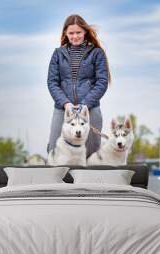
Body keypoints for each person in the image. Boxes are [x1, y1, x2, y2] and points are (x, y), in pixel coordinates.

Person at [46, 14, 111, 158]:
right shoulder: (57, 54)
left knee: (92, 153)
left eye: (78, 32)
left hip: (91, 109)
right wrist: (65, 103)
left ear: (85, 32)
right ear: (65, 33)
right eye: (71, 33)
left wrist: (85, 104)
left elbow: (101, 82)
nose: (75, 36)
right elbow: (52, 82)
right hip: (62, 109)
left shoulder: (97, 53)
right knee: (54, 149)